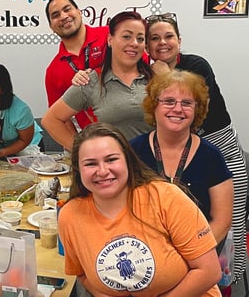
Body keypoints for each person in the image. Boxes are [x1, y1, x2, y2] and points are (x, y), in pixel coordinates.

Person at [143, 12, 249, 282]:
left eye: (168, 36)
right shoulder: (146, 71)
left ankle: (231, 281)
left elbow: (198, 105)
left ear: (179, 40)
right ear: (147, 46)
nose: (162, 43)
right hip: (179, 148)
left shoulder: (196, 64)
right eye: (154, 38)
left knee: (230, 223)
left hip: (219, 143)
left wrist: (166, 74)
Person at [59, 122, 222, 297]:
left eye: (111, 159)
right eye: (90, 164)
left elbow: (209, 271)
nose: (103, 171)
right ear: (78, 169)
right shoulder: (70, 216)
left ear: (128, 160)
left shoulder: (165, 197)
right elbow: (82, 273)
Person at [130, 69, 233, 246]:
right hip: (143, 250)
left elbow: (221, 222)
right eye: (169, 101)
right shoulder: (132, 151)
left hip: (197, 251)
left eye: (187, 103)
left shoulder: (211, 157)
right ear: (154, 105)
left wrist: (193, 252)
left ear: (197, 110)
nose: (177, 109)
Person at [41, 11, 154, 151]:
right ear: (110, 40)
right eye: (126, 36)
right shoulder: (91, 81)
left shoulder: (156, 79)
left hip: (154, 169)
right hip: (113, 170)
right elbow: (51, 120)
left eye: (140, 39)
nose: (134, 43)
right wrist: (84, 151)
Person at [44, 0, 108, 131]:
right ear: (51, 26)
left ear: (79, 11)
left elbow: (140, 65)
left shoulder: (109, 35)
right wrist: (78, 148)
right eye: (55, 15)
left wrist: (99, 72)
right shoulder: (53, 71)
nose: (63, 16)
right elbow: (59, 118)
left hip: (134, 129)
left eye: (67, 9)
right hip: (97, 140)